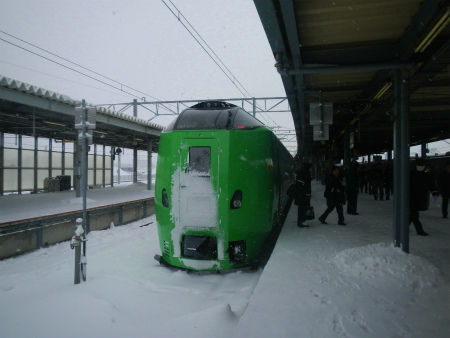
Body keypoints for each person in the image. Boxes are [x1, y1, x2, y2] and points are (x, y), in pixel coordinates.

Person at [410, 158, 439, 236]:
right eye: (420, 165)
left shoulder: (426, 175)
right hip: (411, 198)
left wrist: (434, 192)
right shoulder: (410, 174)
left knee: (412, 215)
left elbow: (431, 184)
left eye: (422, 165)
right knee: (414, 215)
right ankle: (419, 231)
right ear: (416, 165)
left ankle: (404, 228)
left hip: (420, 198)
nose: (421, 167)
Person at [294, 163, 312, 227]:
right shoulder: (305, 173)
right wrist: (307, 193)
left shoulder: (301, 172)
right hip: (303, 195)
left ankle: (301, 221)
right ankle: (302, 221)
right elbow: (306, 184)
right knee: (303, 208)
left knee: (301, 208)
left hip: (300, 194)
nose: (310, 169)